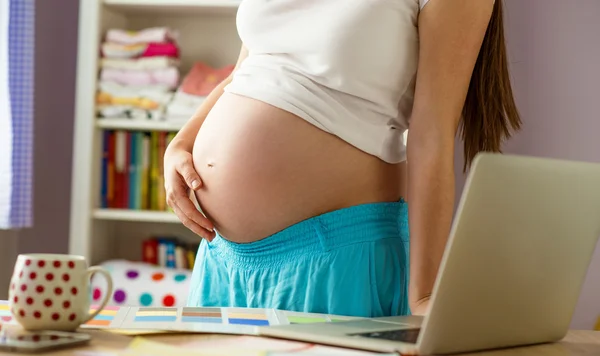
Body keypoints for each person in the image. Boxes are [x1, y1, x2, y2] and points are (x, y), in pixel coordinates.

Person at [164, 0, 521, 317]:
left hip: (337, 254)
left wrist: (424, 293)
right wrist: (181, 142)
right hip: (222, 258)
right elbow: (251, 67)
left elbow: (432, 137)